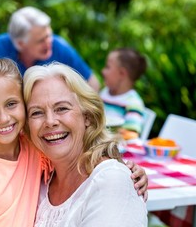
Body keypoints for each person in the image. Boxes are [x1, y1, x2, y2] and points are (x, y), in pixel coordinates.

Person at [0, 57, 147, 226]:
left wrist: (127, 171)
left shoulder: (34, 150)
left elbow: (93, 164)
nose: (3, 118)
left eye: (11, 104)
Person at [23, 62, 148, 226]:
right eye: (37, 112)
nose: (50, 121)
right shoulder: (38, 177)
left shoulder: (110, 181)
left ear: (87, 116)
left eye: (62, 108)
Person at [0, 6, 100, 91]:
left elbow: (93, 83)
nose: (48, 42)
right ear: (21, 43)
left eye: (48, 35)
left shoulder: (58, 45)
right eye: (41, 40)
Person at [100, 48, 147, 139]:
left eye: (107, 67)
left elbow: (131, 134)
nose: (103, 71)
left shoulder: (133, 103)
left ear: (122, 73)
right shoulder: (104, 93)